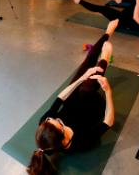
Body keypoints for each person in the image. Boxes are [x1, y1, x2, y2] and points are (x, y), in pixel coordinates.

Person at [27, 20, 118, 175]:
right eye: (58, 121)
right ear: (62, 131)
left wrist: (82, 78)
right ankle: (105, 58)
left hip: (74, 101)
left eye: (50, 120)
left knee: (86, 66)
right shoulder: (80, 143)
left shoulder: (45, 124)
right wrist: (108, 91)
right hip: (93, 106)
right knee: (90, 86)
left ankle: (107, 34)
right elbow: (108, 122)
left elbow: (60, 98)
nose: (51, 118)